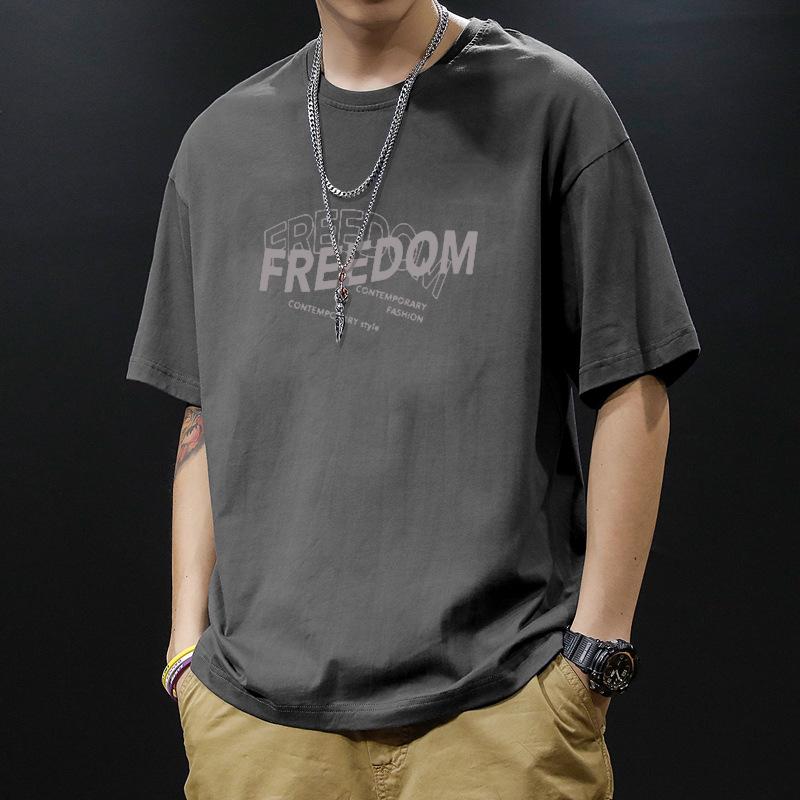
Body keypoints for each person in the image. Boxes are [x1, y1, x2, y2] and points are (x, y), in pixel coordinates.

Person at [126, 1, 701, 798]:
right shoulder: (219, 147)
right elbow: (204, 414)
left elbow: (633, 373)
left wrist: (595, 655)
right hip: (259, 733)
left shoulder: (552, 107)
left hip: (502, 717)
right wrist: (185, 650)